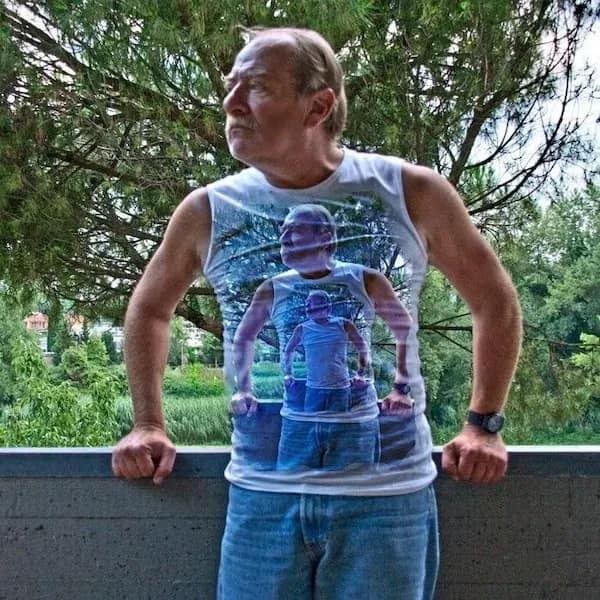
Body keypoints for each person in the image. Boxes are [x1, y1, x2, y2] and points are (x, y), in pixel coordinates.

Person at [112, 26, 522, 600]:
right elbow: (151, 310)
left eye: (256, 87)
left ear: (318, 105)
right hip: (263, 498)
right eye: (231, 86)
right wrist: (149, 424)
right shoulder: (208, 209)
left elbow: (494, 301)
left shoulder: (411, 192)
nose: (231, 103)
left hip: (385, 504)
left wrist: (483, 424)